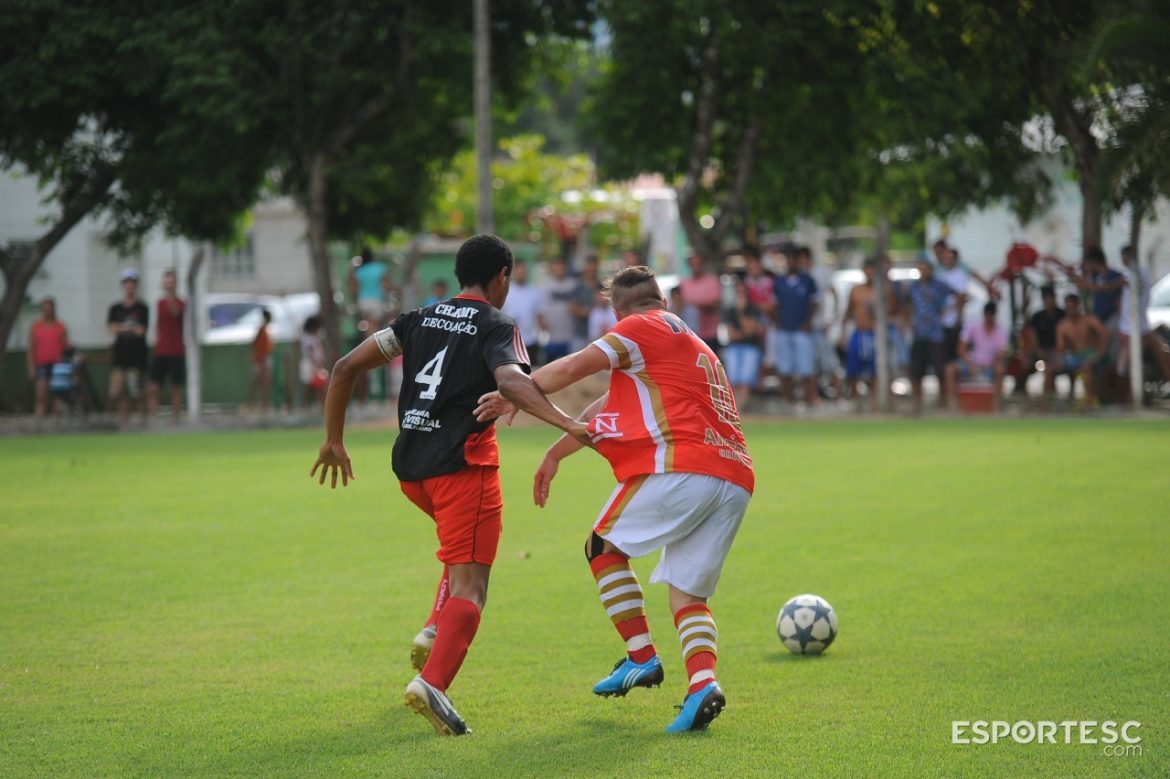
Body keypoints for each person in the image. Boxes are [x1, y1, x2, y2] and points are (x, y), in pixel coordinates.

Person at [309, 233, 588, 737]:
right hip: (463, 469)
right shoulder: (497, 323)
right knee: (473, 586)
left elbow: (345, 366)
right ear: (501, 277)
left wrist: (333, 439)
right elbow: (511, 380)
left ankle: (435, 627)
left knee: (460, 552)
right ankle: (433, 684)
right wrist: (569, 423)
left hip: (413, 471)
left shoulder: (416, 319)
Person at [474, 265, 753, 734]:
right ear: (663, 300)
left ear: (617, 313)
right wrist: (555, 454)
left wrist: (516, 393)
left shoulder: (638, 328)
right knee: (688, 594)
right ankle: (703, 685)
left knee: (602, 546)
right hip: (734, 475)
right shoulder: (688, 342)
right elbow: (606, 404)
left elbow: (571, 368)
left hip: (682, 466)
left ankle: (641, 656)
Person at [1118, 244, 1170, 395]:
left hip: (1135, 326)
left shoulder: (1136, 273)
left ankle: (1129, 393)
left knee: (1125, 363)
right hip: (1133, 325)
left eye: (1125, 257)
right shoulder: (1133, 273)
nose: (1123, 260)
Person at [772, 249, 819, 405]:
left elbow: (814, 303)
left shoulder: (808, 280)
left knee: (806, 367)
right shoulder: (779, 281)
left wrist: (808, 322)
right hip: (784, 330)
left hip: (802, 330)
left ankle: (809, 400)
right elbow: (776, 305)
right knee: (785, 368)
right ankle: (787, 400)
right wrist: (778, 323)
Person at [907, 258, 954, 414]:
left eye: (926, 268)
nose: (924, 271)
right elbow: (906, 305)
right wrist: (908, 321)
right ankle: (917, 404)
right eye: (921, 268)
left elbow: (959, 296)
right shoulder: (913, 287)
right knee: (916, 371)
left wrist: (951, 314)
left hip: (935, 334)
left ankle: (943, 402)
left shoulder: (939, 286)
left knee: (940, 369)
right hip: (919, 333)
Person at [946, 302, 1008, 411]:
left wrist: (995, 361)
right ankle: (953, 405)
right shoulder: (973, 327)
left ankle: (996, 406)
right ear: (984, 314)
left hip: (990, 366)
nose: (990, 317)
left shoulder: (1000, 331)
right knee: (950, 369)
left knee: (1000, 369)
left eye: (992, 314)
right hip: (973, 363)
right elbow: (961, 348)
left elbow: (1002, 352)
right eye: (988, 314)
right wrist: (969, 362)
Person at [107, 268, 150, 424]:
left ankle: (142, 421)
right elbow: (111, 328)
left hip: (137, 357)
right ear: (123, 285)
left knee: (137, 391)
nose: (129, 286)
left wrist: (122, 328)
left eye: (132, 282)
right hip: (120, 356)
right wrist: (129, 328)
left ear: (136, 285)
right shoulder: (115, 308)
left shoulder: (142, 308)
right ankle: (123, 422)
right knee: (119, 390)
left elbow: (141, 330)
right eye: (127, 282)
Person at [797, 246, 840, 398]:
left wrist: (831, 319)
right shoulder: (799, 276)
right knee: (809, 365)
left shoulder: (821, 273)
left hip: (820, 326)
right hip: (805, 328)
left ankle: (840, 396)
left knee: (830, 363)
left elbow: (834, 294)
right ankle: (813, 396)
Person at [1052, 294, 1107, 409]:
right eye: (1068, 308)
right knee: (1049, 368)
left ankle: (1089, 402)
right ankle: (1046, 405)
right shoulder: (1063, 325)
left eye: (1073, 308)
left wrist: (1100, 352)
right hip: (1075, 356)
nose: (1071, 311)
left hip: (1091, 354)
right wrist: (1058, 360)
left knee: (1086, 366)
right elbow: (1060, 347)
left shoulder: (1089, 320)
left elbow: (1104, 333)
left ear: (1078, 306)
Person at [148, 269, 186, 420]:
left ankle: (175, 418)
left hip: (176, 351)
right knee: (153, 386)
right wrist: (156, 342)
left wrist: (171, 297)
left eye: (171, 282)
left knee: (175, 387)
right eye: (166, 282)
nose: (168, 285)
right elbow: (158, 324)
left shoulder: (180, 303)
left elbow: (174, 313)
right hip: (161, 351)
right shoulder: (159, 303)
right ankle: (154, 417)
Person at [840, 260, 878, 408]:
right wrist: (843, 333)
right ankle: (855, 401)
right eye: (868, 269)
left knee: (875, 371)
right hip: (859, 333)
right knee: (853, 369)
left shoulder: (882, 290)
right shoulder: (856, 290)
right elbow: (848, 312)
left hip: (874, 334)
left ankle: (874, 401)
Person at [721, 279, 765, 407]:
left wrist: (741, 313)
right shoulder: (730, 310)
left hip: (750, 347)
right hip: (735, 347)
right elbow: (732, 335)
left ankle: (740, 407)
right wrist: (745, 332)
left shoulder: (753, 309)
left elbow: (752, 331)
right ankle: (735, 408)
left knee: (745, 380)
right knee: (733, 380)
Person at [1021, 286, 1064, 407]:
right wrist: (1038, 351)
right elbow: (1032, 337)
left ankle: (1046, 404)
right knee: (1024, 365)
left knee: (1049, 369)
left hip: (1055, 351)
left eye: (1050, 298)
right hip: (1039, 350)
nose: (1048, 301)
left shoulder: (1062, 315)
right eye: (1046, 298)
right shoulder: (1037, 316)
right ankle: (1023, 396)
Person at [27, 297, 69, 419]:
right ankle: (38, 423)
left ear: (53, 309)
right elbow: (31, 348)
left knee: (57, 397)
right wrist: (31, 367)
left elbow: (66, 346)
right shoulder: (36, 326)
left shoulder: (60, 326)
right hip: (41, 364)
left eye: (49, 309)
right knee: (41, 395)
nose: (47, 311)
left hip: (58, 365)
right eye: (45, 309)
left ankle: (56, 424)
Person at [501, 259, 545, 366]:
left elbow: (540, 317)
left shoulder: (534, 292)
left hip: (531, 341)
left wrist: (543, 335)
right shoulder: (505, 292)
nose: (521, 274)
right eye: (518, 271)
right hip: (511, 343)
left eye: (523, 271)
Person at [679, 253, 722, 353]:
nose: (696, 267)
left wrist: (692, 303)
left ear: (704, 264)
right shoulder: (683, 283)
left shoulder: (712, 281)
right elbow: (679, 304)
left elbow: (715, 304)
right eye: (693, 264)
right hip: (689, 335)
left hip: (709, 334)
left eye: (698, 264)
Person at [540, 257, 578, 361]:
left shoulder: (573, 284)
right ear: (552, 269)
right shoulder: (545, 285)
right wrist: (542, 323)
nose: (559, 270)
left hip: (570, 337)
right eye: (556, 268)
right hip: (551, 337)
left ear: (565, 269)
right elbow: (541, 308)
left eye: (561, 268)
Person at [348, 249, 391, 323]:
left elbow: (355, 288)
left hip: (363, 300)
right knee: (374, 324)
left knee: (366, 323)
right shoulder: (379, 268)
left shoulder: (359, 270)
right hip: (376, 299)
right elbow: (387, 284)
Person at [248, 309, 274, 412]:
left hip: (263, 359)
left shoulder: (265, 329)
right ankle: (254, 404)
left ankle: (262, 404)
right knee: (258, 382)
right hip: (260, 360)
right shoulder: (262, 329)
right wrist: (260, 360)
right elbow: (255, 344)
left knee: (263, 383)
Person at [299, 316, 328, 409]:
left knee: (319, 385)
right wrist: (317, 364)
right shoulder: (307, 338)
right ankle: (304, 406)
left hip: (316, 364)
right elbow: (310, 352)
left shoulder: (315, 337)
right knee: (308, 385)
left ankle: (321, 404)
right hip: (309, 364)